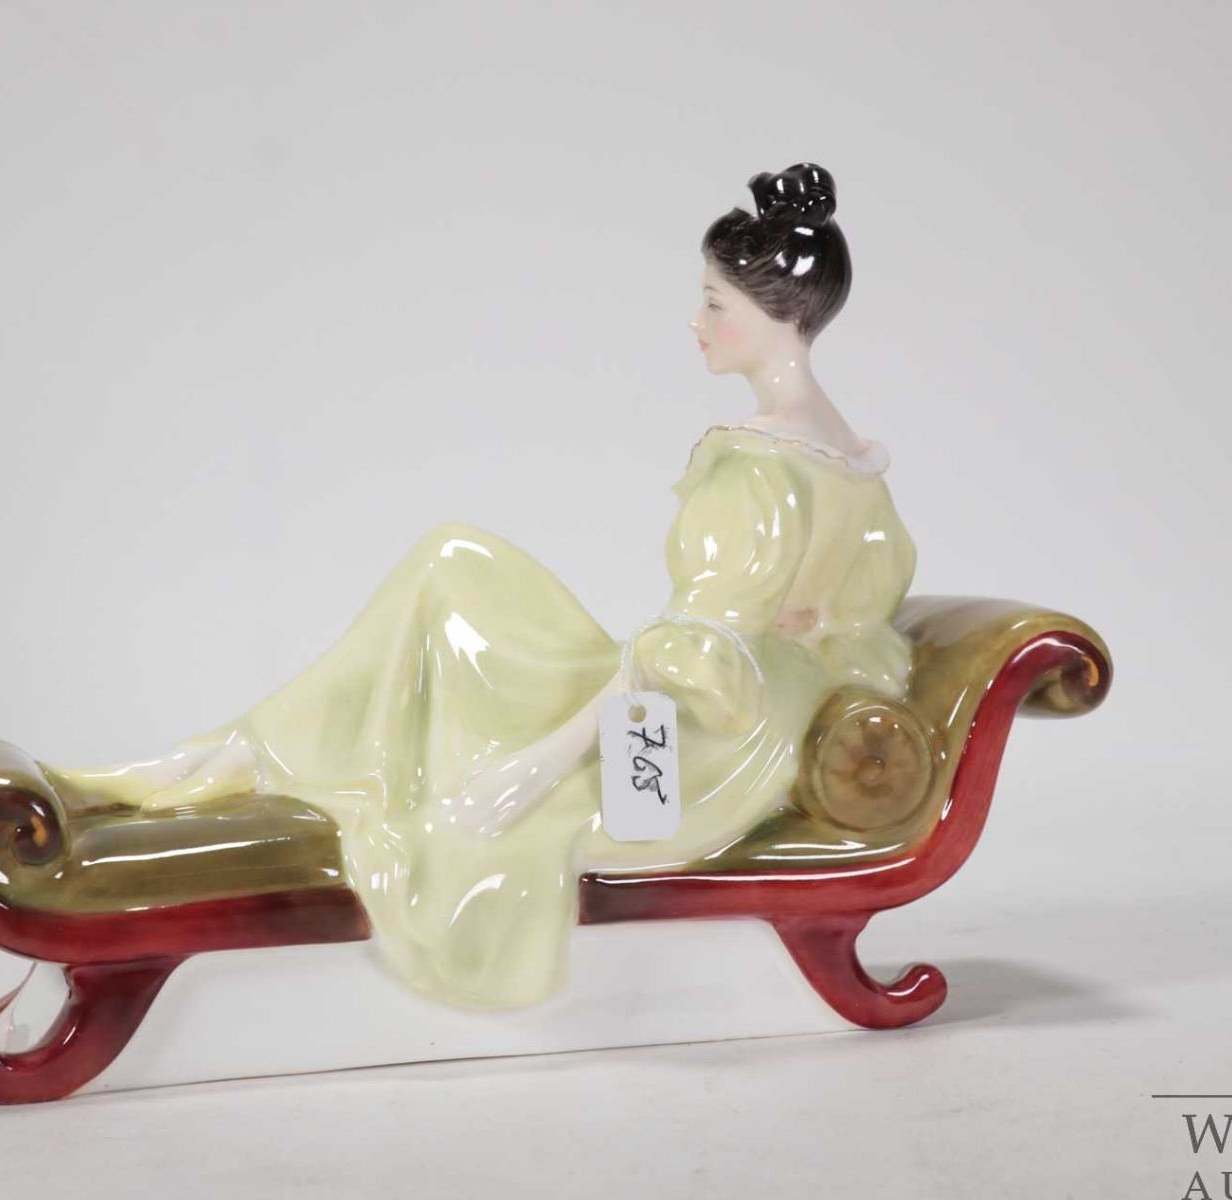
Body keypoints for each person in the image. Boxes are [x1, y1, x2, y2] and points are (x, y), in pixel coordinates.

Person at [46, 163, 918, 1009]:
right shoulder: (852, 461)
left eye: (715, 304)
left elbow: (689, 656)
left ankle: (241, 753)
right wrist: (794, 628)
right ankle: (248, 749)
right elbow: (847, 623)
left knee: (447, 581)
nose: (697, 322)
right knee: (454, 561)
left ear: (778, 316)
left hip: (707, 740)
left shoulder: (759, 467)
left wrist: (543, 764)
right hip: (752, 714)